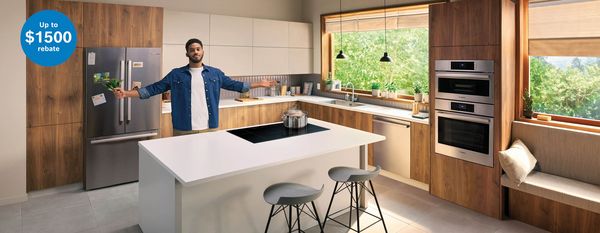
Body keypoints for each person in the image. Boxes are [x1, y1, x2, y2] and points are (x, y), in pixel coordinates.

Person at [113, 38, 274, 136]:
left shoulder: (215, 74)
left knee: (207, 163)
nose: (195, 52)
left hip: (209, 127)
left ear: (202, 51)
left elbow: (235, 85)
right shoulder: (176, 74)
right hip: (183, 128)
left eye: (198, 49)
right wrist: (126, 93)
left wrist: (258, 83)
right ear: (187, 53)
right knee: (184, 164)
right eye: (192, 50)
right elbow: (154, 88)